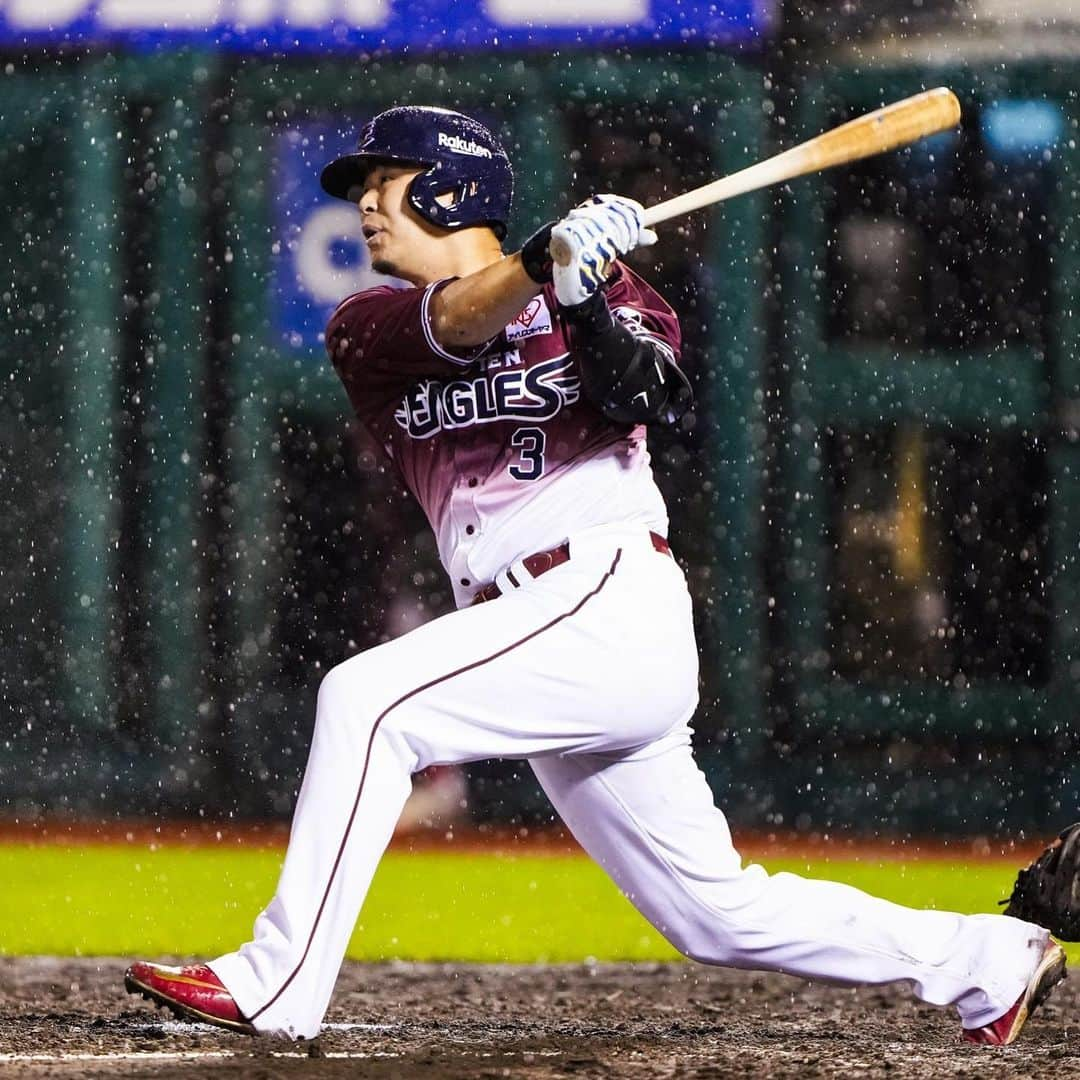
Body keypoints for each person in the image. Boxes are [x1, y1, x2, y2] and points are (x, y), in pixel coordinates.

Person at [124, 105, 1064, 1047]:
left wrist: (581, 294)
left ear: (452, 188)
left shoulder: (616, 294)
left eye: (385, 181)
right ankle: (983, 961)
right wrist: (545, 265)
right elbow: (458, 316)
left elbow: (644, 395)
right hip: (538, 631)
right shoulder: (368, 325)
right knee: (712, 913)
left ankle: (276, 981)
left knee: (369, 701)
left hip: (604, 598)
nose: (365, 205)